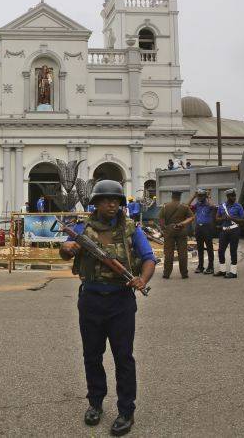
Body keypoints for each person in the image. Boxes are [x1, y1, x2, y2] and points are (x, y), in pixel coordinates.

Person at [59, 180, 156, 436]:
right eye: (106, 200)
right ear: (96, 204)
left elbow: (148, 258)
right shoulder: (83, 228)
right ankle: (95, 403)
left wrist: (142, 280)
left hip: (120, 301)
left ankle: (126, 410)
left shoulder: (130, 229)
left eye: (116, 200)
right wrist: (66, 248)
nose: (111, 204)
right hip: (91, 300)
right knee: (92, 355)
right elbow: (65, 252)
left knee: (123, 357)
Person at [158, 191, 194, 279]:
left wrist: (164, 229)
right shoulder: (184, 207)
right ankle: (184, 274)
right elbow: (192, 217)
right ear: (179, 197)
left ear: (172, 197)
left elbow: (161, 220)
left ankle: (166, 274)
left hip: (169, 230)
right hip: (181, 230)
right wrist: (182, 223)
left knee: (168, 253)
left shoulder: (165, 207)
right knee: (182, 253)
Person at [214, 189, 244, 279]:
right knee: (220, 251)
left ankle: (233, 272)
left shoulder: (238, 206)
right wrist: (223, 218)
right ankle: (223, 270)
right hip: (224, 231)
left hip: (234, 230)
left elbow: (243, 220)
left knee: (233, 251)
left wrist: (231, 218)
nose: (234, 198)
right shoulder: (222, 206)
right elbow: (217, 218)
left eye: (234, 196)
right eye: (232, 196)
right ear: (227, 197)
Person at [188, 189, 216, 275]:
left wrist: (208, 197)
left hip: (207, 228)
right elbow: (187, 206)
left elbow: (213, 206)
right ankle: (200, 266)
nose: (200, 198)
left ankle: (210, 267)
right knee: (199, 248)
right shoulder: (197, 205)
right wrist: (193, 196)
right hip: (198, 228)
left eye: (201, 196)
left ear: (205, 197)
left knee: (209, 248)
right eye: (199, 196)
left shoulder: (208, 205)